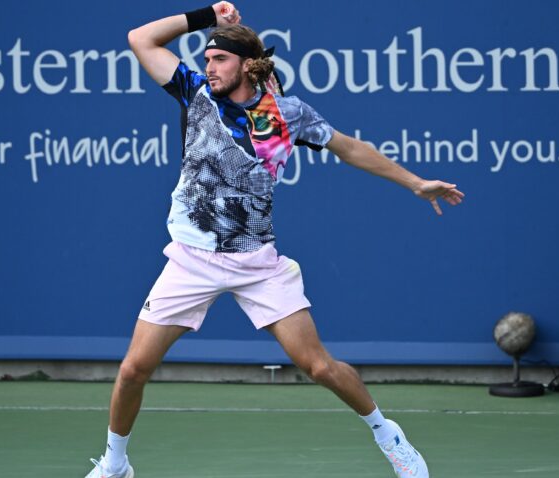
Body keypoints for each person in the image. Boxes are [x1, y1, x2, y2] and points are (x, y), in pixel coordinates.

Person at [86, 3, 464, 477]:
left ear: (247, 64)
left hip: (256, 263)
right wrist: (208, 15)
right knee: (133, 369)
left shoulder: (286, 114)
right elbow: (140, 38)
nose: (209, 67)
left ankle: (388, 434)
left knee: (318, 366)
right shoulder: (195, 93)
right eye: (206, 59)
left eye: (219, 59)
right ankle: (115, 465)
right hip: (190, 259)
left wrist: (415, 182)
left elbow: (350, 148)